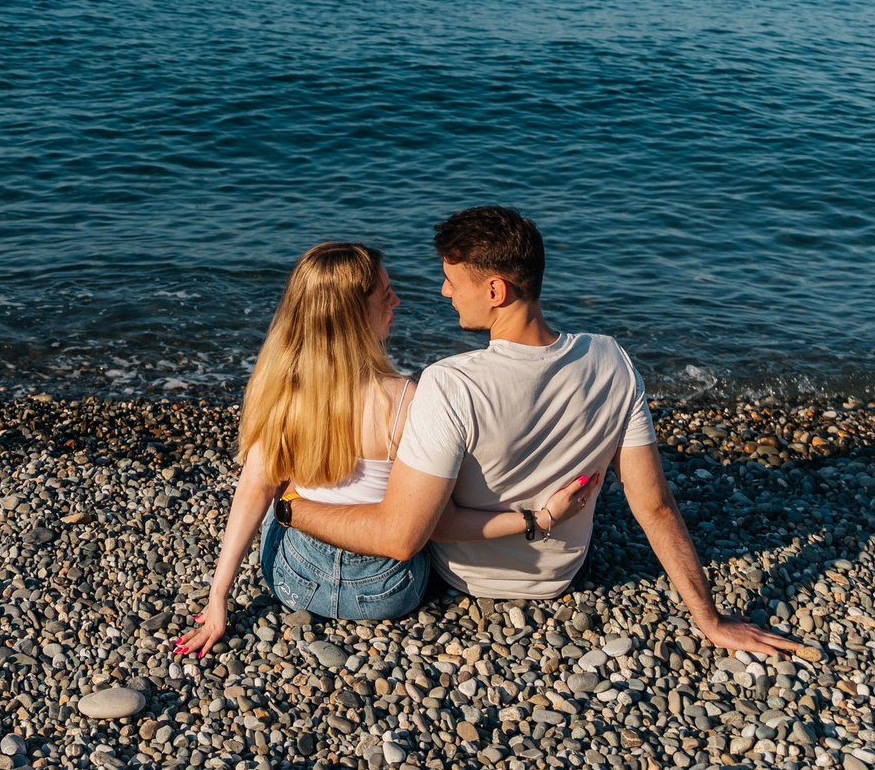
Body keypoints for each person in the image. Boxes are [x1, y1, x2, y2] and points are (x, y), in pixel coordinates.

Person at [271, 208, 808, 659]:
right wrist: (709, 620)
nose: (443, 291)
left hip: (463, 578)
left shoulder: (451, 383)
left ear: (496, 289)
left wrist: (294, 508)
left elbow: (402, 537)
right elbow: (657, 507)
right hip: (560, 577)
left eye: (453, 281)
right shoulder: (613, 360)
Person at [176, 242, 598, 654]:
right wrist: (540, 518)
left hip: (294, 581)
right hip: (388, 591)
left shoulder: (280, 390)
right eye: (385, 294)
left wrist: (219, 598)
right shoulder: (406, 399)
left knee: (275, 492)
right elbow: (433, 523)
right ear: (357, 314)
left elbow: (252, 492)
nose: (396, 300)